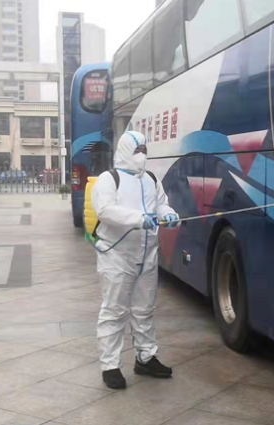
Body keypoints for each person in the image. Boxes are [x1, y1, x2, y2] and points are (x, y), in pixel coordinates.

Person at [91, 130, 180, 390]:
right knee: (114, 311)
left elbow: (160, 204)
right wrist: (138, 219)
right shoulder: (109, 179)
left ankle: (146, 358)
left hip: (147, 255)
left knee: (145, 309)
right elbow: (105, 211)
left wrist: (168, 214)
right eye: (136, 150)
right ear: (124, 151)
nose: (141, 155)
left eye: (144, 150)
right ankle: (110, 366)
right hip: (117, 255)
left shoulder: (151, 179)